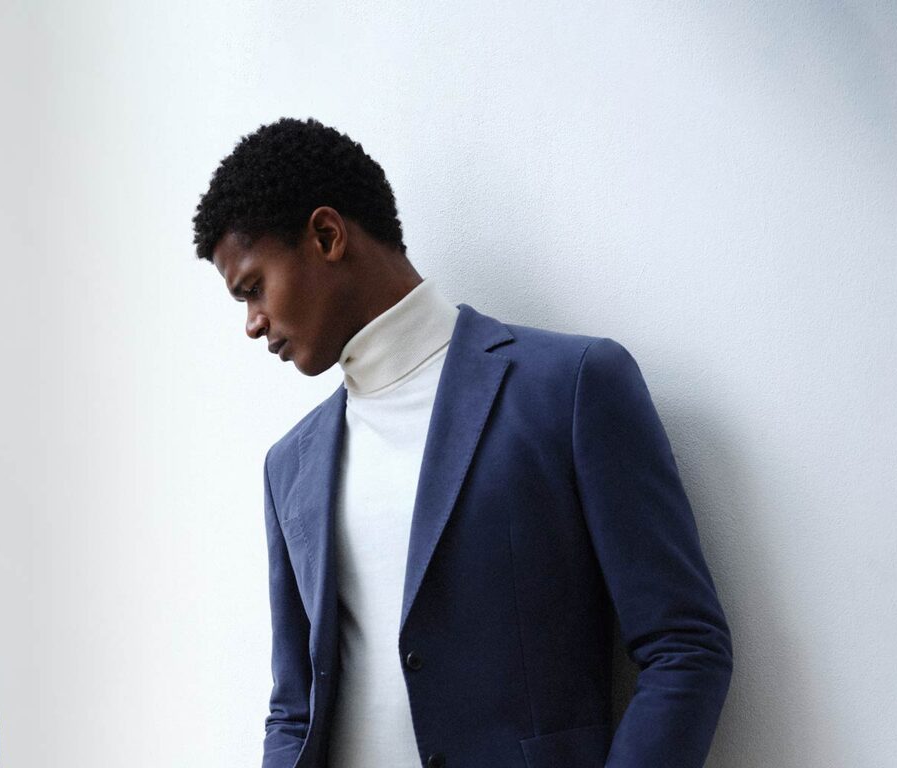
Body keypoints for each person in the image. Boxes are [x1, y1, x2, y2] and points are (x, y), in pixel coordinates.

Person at [194, 118, 732, 768]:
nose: (252, 324)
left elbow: (684, 647)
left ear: (328, 236)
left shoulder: (571, 388)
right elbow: (295, 709)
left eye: (253, 287)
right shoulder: (290, 465)